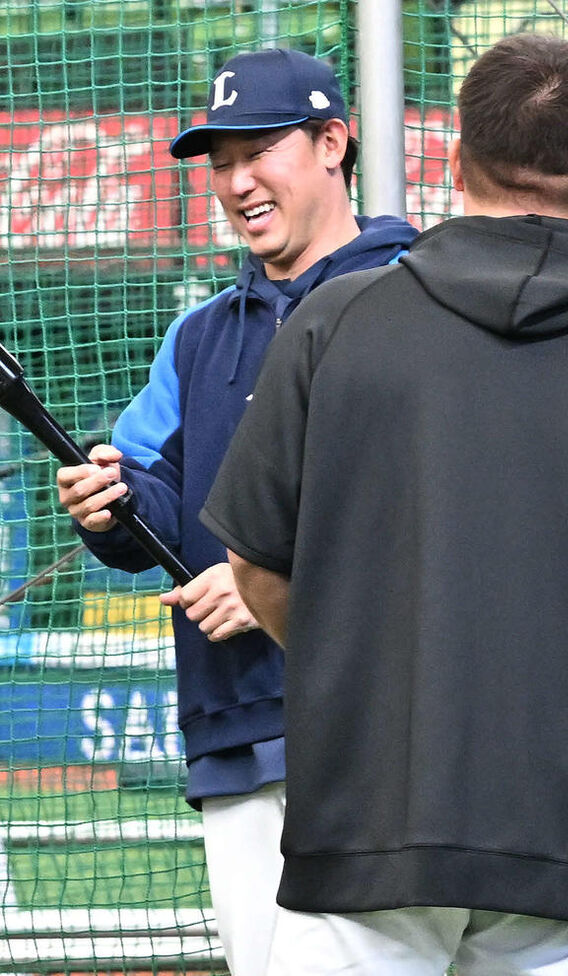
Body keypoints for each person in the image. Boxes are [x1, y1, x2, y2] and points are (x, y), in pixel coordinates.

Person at [198, 32, 568, 976]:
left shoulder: (336, 323)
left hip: (372, 815)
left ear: (454, 160)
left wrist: (370, 663)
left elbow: (255, 564)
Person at [53, 48, 419, 976]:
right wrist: (113, 504)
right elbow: (159, 501)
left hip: (391, 726)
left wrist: (271, 585)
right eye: (221, 162)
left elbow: (438, 509)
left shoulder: (420, 297)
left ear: (333, 143)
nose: (237, 182)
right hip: (237, 731)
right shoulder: (200, 334)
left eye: (259, 151)